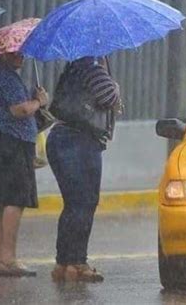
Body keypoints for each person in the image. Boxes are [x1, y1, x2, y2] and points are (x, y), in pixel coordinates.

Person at [47, 56, 121, 283]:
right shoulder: (93, 69)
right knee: (85, 202)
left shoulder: (71, 70)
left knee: (73, 203)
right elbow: (109, 97)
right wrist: (115, 86)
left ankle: (63, 263)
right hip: (80, 140)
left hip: (59, 138)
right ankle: (77, 263)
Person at [0, 52, 48, 277]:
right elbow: (20, 110)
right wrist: (39, 101)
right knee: (15, 199)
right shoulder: (6, 77)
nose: (22, 56)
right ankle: (8, 259)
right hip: (11, 143)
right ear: (1, 54)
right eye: (15, 53)